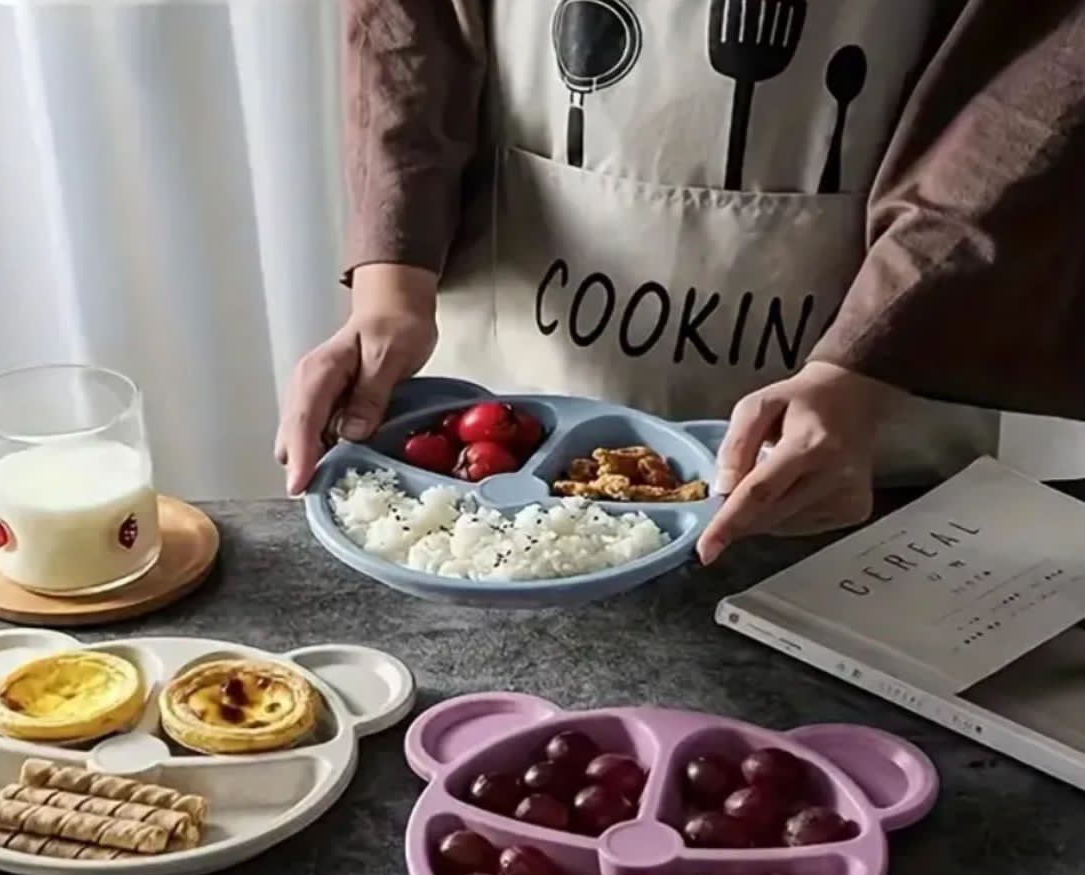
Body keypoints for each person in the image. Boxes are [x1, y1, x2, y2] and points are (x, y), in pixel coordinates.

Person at [277, 0, 1085, 564]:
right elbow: (405, 30)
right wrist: (391, 291)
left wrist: (866, 363)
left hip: (869, 416)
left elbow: (1034, 81)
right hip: (518, 400)